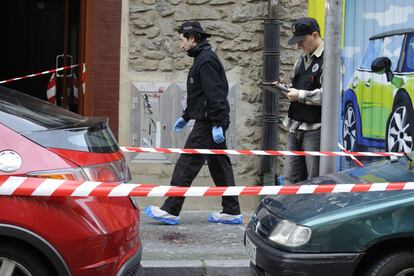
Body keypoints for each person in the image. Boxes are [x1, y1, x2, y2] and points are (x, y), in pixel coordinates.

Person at [144, 21, 242, 225]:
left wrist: (217, 123)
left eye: (182, 40)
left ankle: (171, 209)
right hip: (210, 120)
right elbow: (200, 95)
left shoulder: (205, 61)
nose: (181, 45)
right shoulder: (202, 59)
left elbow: (215, 94)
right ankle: (232, 211)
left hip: (208, 123)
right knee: (219, 166)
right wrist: (187, 116)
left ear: (193, 38)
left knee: (186, 163)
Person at [275, 17, 324, 185]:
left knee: (313, 181)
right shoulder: (301, 59)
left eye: (302, 41)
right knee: (290, 180)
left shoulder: (330, 60)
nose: (298, 45)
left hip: (315, 130)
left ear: (315, 35)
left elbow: (330, 95)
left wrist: (300, 95)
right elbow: (297, 88)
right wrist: (284, 88)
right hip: (295, 127)